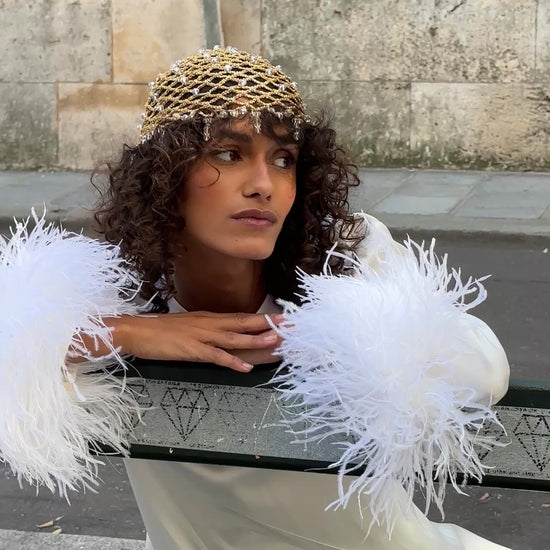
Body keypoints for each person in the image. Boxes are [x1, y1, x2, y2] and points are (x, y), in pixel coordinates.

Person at [0, 47, 510, 549]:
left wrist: (328, 337)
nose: (264, 185)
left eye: (284, 159)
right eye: (229, 153)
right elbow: (16, 349)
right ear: (165, 174)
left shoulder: (344, 257)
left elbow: (484, 370)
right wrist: (126, 332)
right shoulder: (120, 291)